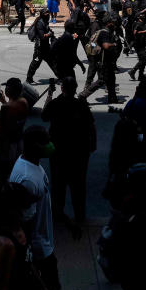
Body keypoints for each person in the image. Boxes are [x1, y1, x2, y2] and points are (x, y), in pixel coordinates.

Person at [8, 126, 60, 290]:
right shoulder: (27, 179)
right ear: (34, 145)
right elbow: (24, 221)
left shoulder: (32, 164)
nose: (50, 145)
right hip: (39, 247)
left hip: (43, 241)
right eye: (46, 142)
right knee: (52, 287)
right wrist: (28, 254)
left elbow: (43, 198)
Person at [42, 76, 95, 223]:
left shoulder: (56, 103)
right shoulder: (81, 105)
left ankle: (58, 216)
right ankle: (80, 216)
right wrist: (92, 144)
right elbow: (91, 125)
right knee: (78, 186)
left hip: (59, 152)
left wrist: (49, 95)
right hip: (79, 152)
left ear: (62, 88)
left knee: (58, 186)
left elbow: (44, 115)